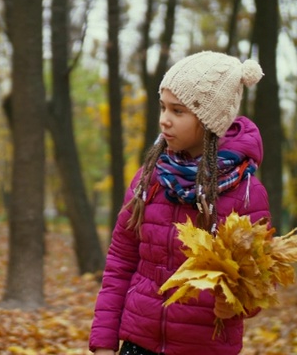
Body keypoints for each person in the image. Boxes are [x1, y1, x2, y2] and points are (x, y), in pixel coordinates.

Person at [89, 51, 271, 355]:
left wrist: (237, 304)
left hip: (204, 348)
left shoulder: (246, 194)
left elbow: (260, 282)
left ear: (209, 119)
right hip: (139, 344)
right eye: (162, 107)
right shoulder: (148, 180)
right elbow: (120, 265)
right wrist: (104, 343)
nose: (164, 120)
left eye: (178, 111)